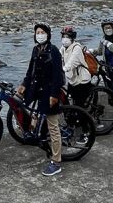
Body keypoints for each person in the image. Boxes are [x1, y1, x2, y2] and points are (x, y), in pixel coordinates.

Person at [16, 22, 66, 176]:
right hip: (36, 90)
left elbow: (58, 75)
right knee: (31, 112)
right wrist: (24, 84)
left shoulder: (54, 51)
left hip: (50, 92)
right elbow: (30, 69)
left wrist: (54, 95)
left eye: (42, 32)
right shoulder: (35, 49)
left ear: (48, 34)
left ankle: (56, 161)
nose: (40, 35)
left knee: (53, 127)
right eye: (37, 32)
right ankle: (37, 135)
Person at [59, 25, 91, 108]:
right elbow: (58, 57)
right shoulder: (64, 47)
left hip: (81, 80)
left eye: (68, 36)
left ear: (72, 38)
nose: (65, 39)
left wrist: (63, 69)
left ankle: (85, 120)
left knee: (79, 107)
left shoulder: (76, 48)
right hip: (72, 79)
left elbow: (71, 62)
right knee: (71, 100)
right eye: (64, 36)